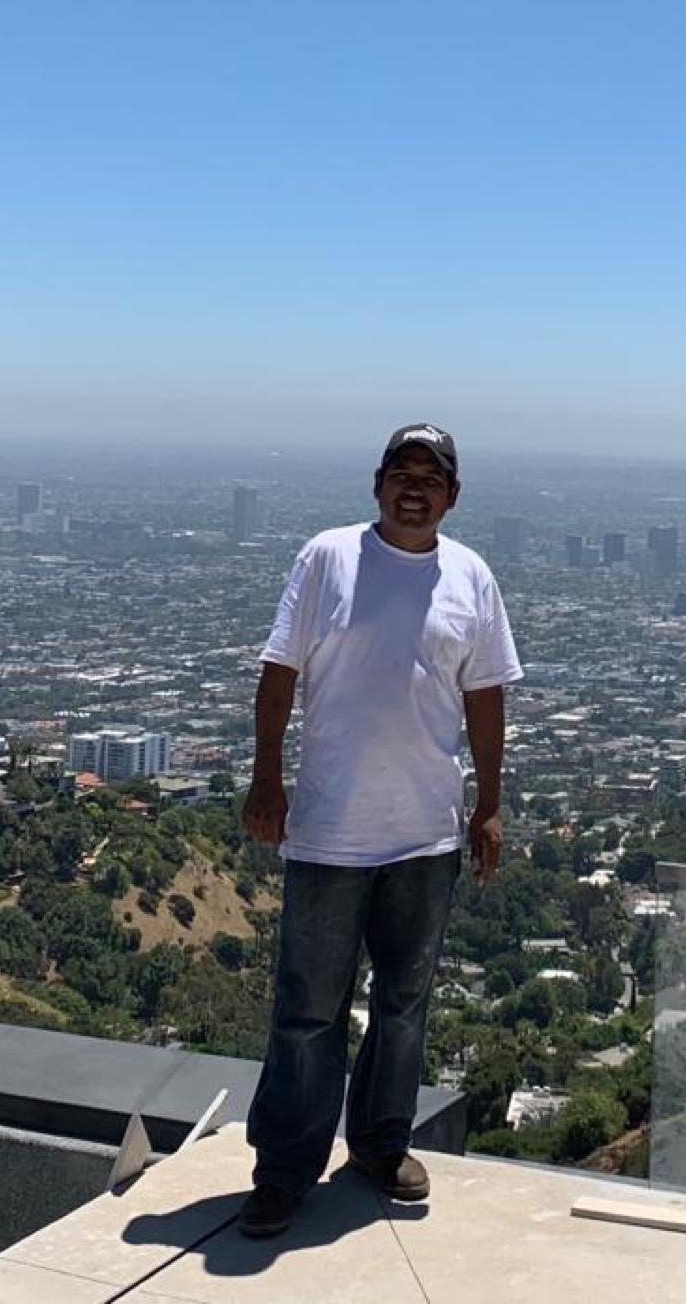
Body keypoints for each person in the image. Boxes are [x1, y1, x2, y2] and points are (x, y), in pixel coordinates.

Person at [236, 424, 522, 1237]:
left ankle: (379, 1144)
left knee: (404, 1002)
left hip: (426, 833)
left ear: (452, 496)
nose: (414, 488)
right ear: (377, 483)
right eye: (402, 472)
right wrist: (266, 777)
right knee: (308, 1010)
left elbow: (486, 696)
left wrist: (489, 803)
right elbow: (279, 672)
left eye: (431, 477)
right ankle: (284, 1169)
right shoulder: (327, 557)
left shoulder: (471, 575)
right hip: (331, 829)